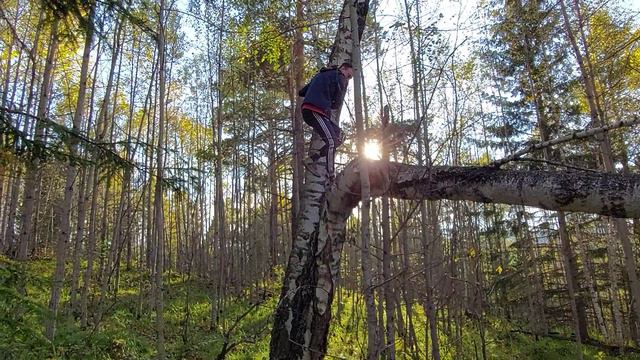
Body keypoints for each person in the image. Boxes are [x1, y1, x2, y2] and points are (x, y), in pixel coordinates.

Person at [298, 62, 353, 181]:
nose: (348, 78)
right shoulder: (340, 77)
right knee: (332, 141)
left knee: (340, 136)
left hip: (315, 110)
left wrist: (319, 85)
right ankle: (331, 175)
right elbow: (337, 103)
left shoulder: (321, 74)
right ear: (343, 68)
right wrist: (330, 102)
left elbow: (301, 92)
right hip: (315, 110)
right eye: (349, 75)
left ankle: (312, 159)